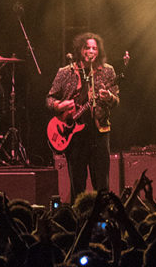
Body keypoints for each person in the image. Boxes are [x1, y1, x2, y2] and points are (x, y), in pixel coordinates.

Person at [46, 32, 119, 199]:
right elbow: (50, 98)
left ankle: (102, 213)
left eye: (94, 48)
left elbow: (116, 101)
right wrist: (59, 105)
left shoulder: (108, 71)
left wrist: (109, 97)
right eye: (87, 48)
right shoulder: (66, 72)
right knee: (77, 184)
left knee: (102, 184)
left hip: (99, 132)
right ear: (80, 50)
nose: (91, 51)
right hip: (74, 136)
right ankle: (78, 213)